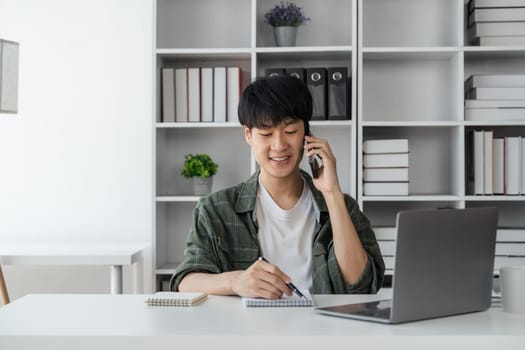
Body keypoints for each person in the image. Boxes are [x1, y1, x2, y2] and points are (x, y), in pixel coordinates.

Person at [170, 75, 384, 299]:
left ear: (307, 136)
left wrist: (332, 193)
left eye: (290, 131)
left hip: (324, 332)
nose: (279, 145)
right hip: (247, 332)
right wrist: (235, 281)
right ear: (248, 135)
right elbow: (185, 281)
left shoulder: (342, 206)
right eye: (266, 134)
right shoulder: (216, 209)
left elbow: (361, 286)